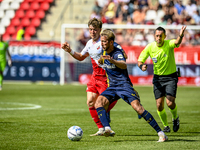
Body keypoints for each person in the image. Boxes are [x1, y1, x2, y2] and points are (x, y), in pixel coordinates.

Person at [95, 29, 168, 142]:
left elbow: (124, 65)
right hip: (112, 86)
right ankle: (107, 129)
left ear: (111, 42)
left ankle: (161, 133)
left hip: (124, 85)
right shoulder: (104, 51)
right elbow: (103, 58)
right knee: (98, 102)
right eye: (102, 41)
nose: (102, 44)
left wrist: (112, 61)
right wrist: (101, 60)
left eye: (104, 41)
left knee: (138, 108)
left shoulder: (117, 53)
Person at [61, 18, 127, 136]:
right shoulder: (89, 43)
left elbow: (123, 54)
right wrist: (70, 51)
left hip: (106, 77)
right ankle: (101, 128)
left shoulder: (104, 42)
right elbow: (81, 57)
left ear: (100, 30)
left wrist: (110, 56)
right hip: (95, 77)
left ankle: (107, 122)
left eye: (95, 30)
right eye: (90, 29)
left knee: (103, 104)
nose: (92, 32)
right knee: (90, 102)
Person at [137, 26, 187, 133]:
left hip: (171, 77)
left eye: (161, 36)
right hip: (158, 79)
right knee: (159, 105)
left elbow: (177, 41)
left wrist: (181, 34)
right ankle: (166, 126)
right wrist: (142, 67)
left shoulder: (169, 44)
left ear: (165, 36)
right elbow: (140, 61)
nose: (159, 38)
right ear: (154, 36)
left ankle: (175, 118)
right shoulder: (150, 47)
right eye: (157, 36)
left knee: (170, 103)